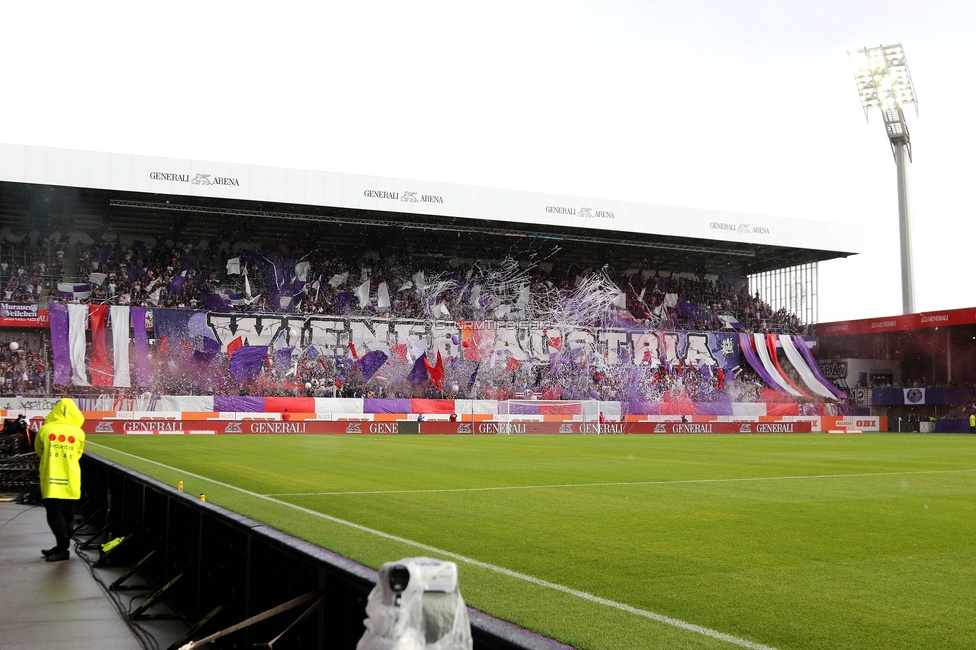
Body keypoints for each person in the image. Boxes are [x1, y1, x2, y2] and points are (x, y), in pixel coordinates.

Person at [34, 398, 86, 562]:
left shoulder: (45, 429)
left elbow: (39, 451)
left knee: (54, 513)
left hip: (52, 478)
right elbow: (78, 454)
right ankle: (62, 546)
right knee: (68, 514)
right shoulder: (78, 432)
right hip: (71, 479)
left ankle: (62, 548)